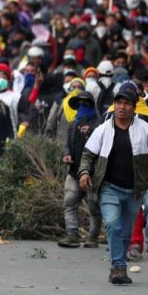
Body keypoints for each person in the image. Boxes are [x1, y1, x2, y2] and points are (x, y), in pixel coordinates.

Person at [78, 83, 148, 285]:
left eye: (127, 103)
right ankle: (118, 267)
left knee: (126, 232)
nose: (122, 107)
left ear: (134, 106)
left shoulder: (144, 129)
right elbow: (88, 155)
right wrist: (85, 172)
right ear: (114, 105)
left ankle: (118, 264)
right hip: (109, 187)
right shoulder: (103, 130)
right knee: (112, 223)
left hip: (134, 190)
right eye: (119, 102)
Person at [57, 90, 101, 248]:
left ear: (91, 105)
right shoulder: (74, 124)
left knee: (94, 207)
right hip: (74, 171)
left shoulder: (100, 124)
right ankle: (72, 235)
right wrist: (67, 154)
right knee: (69, 204)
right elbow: (68, 144)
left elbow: (103, 147)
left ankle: (93, 237)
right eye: (79, 104)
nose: (82, 106)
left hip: (93, 173)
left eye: (85, 103)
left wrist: (90, 133)